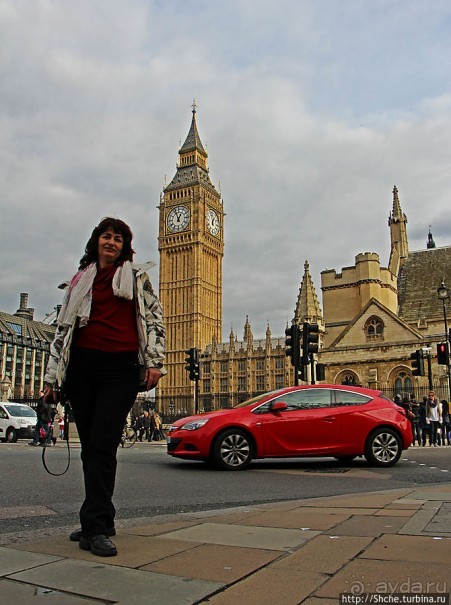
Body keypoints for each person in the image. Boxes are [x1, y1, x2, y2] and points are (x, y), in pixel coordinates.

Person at [43, 217, 166, 557]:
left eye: (118, 238)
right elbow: (62, 333)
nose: (111, 242)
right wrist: (52, 380)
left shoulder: (137, 278)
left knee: (101, 444)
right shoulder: (80, 279)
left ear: (126, 246)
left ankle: (94, 527)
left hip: (120, 368)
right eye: (106, 236)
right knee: (91, 448)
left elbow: (155, 320)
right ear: (96, 241)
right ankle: (102, 518)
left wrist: (154, 361)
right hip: (82, 367)